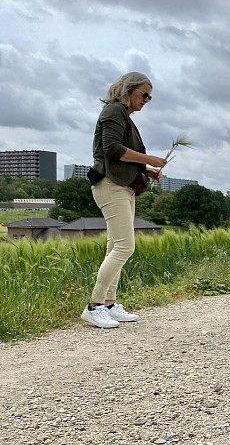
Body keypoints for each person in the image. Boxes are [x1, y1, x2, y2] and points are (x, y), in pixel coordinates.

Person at [81, 72, 167, 329]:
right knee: (124, 247)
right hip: (111, 186)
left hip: (123, 186)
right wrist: (149, 160)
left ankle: (109, 303)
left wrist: (148, 171)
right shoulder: (113, 112)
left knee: (114, 246)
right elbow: (112, 149)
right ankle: (94, 306)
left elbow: (119, 155)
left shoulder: (124, 116)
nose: (146, 100)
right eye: (143, 94)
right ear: (128, 90)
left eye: (149, 96)